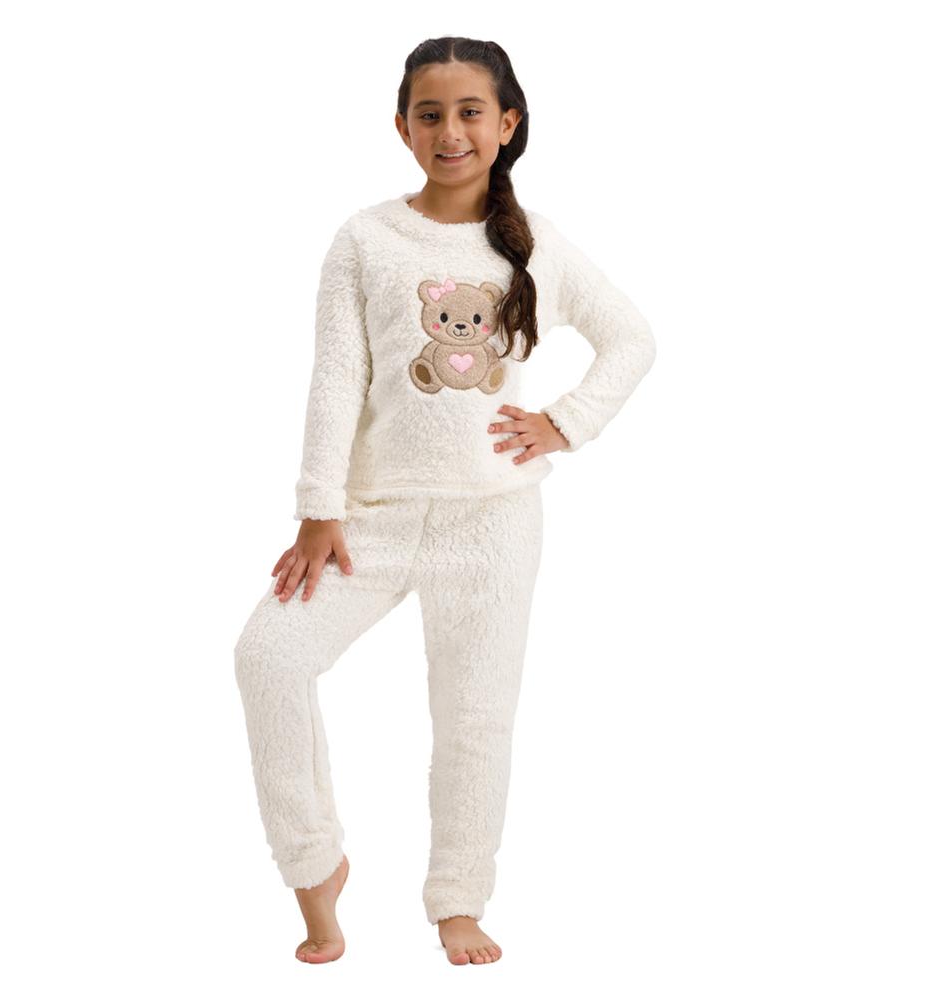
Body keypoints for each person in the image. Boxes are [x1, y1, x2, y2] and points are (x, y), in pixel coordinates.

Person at [233, 35, 657, 967]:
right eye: (430, 114)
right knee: (268, 657)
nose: (451, 131)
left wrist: (564, 424)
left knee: (474, 717)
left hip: (492, 519)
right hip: (370, 517)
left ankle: (458, 901)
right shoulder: (366, 239)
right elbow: (336, 378)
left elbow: (631, 338)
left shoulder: (535, 242)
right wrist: (319, 506)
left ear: (507, 124)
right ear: (402, 127)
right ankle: (315, 867)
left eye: (471, 112)